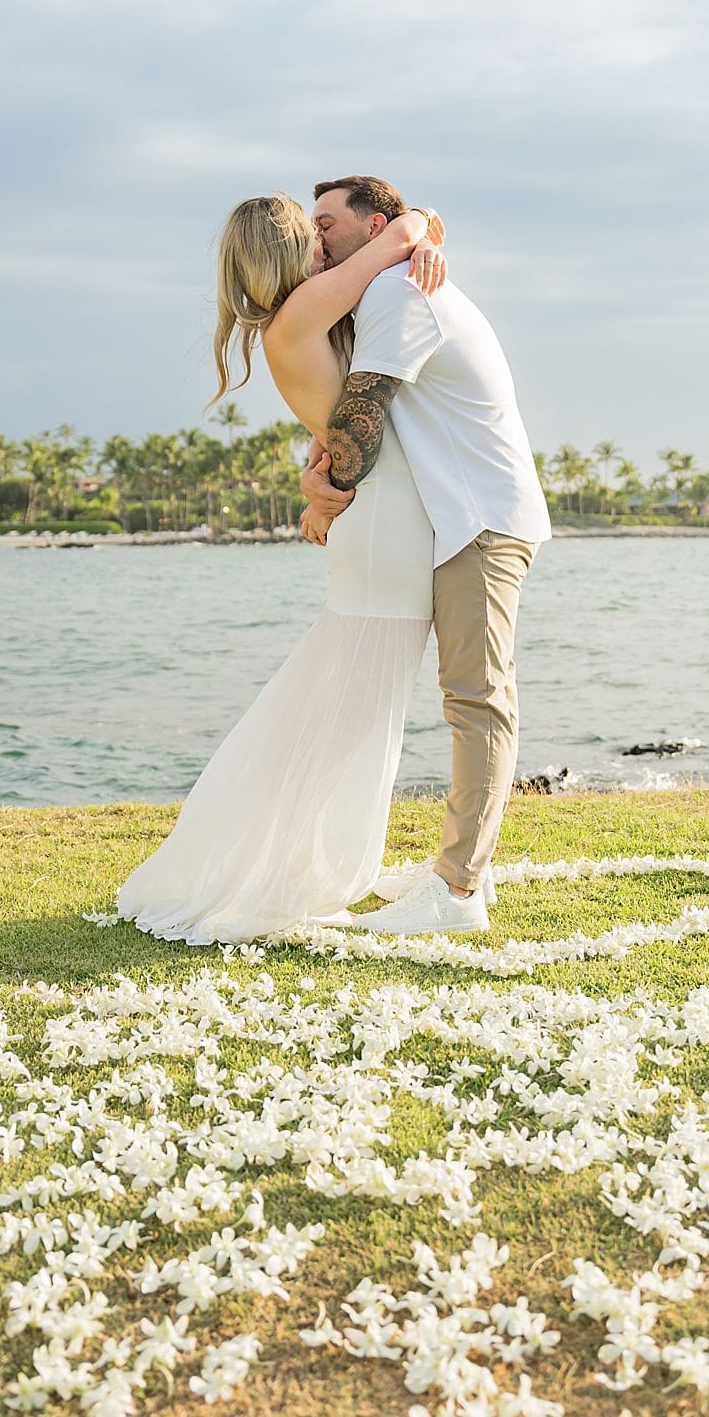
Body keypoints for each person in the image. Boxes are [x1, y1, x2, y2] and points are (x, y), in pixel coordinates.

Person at [114, 190, 445, 944]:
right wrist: (418, 229)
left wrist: (317, 481)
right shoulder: (307, 311)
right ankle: (286, 865)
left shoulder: (296, 322)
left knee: (348, 709)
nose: (326, 247)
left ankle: (305, 857)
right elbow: (391, 238)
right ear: (289, 248)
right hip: (384, 524)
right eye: (313, 233)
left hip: (373, 519)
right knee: (351, 714)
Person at [300, 175, 551, 935]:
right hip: (463, 517)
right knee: (468, 697)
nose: (315, 241)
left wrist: (322, 496)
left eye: (326, 225)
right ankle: (461, 865)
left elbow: (364, 411)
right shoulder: (396, 276)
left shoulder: (397, 293)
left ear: (376, 226)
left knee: (478, 698)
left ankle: (459, 892)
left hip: (479, 519)